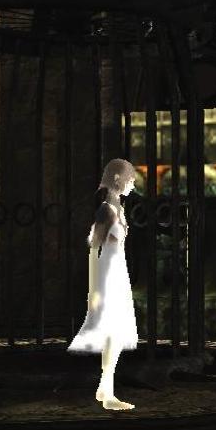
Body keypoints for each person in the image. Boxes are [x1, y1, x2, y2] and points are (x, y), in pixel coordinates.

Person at [68, 158, 140, 411]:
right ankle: (107, 392)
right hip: (108, 273)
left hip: (117, 270)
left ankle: (105, 387)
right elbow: (93, 248)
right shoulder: (106, 210)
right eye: (130, 179)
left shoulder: (117, 208)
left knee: (117, 332)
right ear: (118, 179)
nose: (133, 184)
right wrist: (93, 288)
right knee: (113, 331)